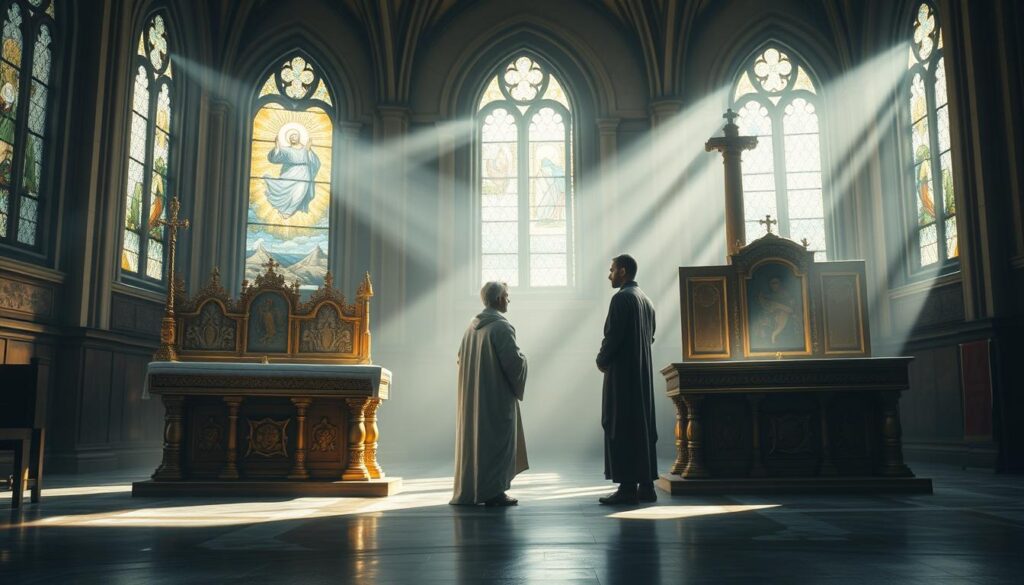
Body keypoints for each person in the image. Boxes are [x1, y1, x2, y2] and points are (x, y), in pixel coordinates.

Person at [450, 281, 529, 507]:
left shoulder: (471, 327)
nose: (509, 300)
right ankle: (494, 492)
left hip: (474, 398)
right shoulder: (501, 327)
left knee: (478, 444)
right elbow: (513, 363)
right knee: (497, 442)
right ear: (499, 299)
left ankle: (476, 488)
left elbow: (460, 359)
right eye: (507, 295)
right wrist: (525, 360)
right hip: (496, 397)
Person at [596, 254, 658, 505]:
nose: (609, 275)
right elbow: (650, 337)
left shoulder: (621, 298)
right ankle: (647, 486)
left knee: (619, 425)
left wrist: (602, 359)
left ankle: (627, 488)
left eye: (612, 270)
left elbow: (613, 336)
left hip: (623, 374)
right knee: (642, 427)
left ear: (623, 271)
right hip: (642, 374)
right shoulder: (647, 300)